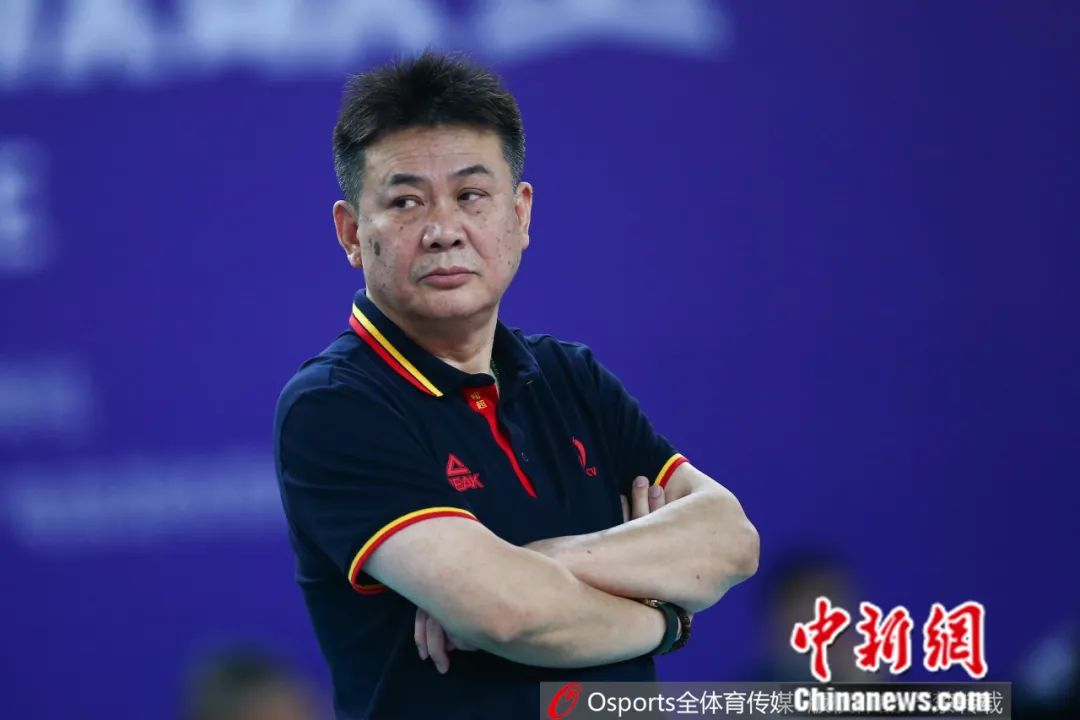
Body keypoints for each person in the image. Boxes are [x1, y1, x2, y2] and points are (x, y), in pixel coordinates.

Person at [273, 51, 759, 720]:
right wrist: (665, 619)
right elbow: (505, 613)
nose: (443, 231)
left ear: (521, 214)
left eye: (471, 196)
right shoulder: (336, 405)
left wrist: (542, 560)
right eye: (406, 202)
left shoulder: (571, 376)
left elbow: (730, 540)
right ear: (352, 233)